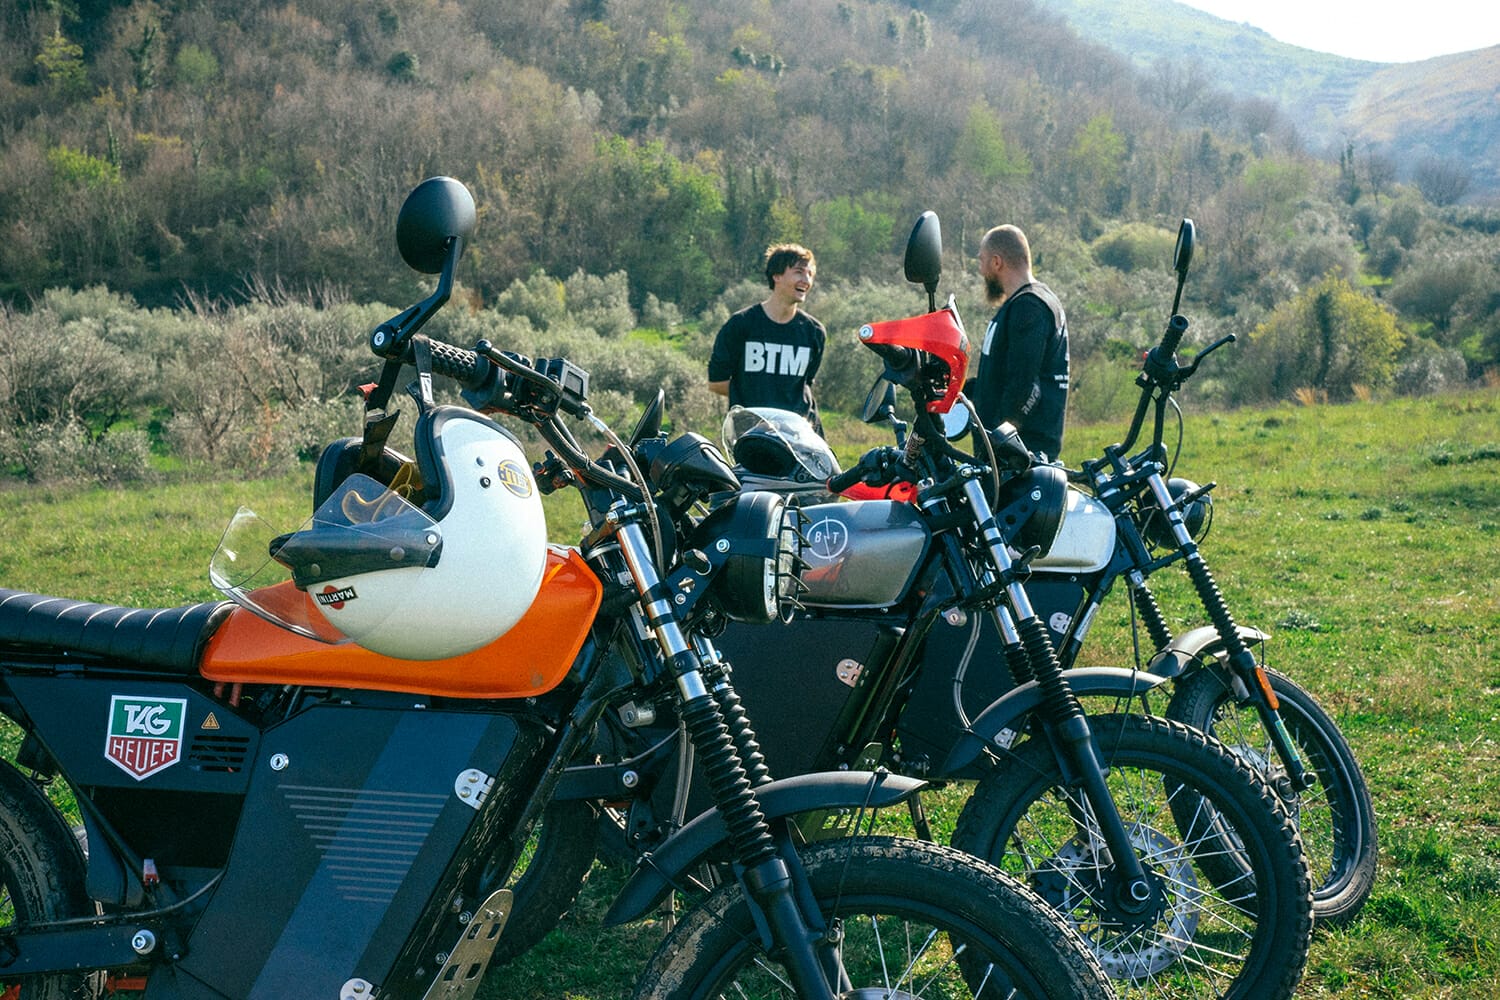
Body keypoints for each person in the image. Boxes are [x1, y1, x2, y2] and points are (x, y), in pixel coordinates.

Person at [968, 224, 1069, 462]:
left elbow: (1023, 384)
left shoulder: (1029, 307)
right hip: (1013, 453)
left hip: (1020, 456)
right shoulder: (1023, 304)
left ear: (996, 262)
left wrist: (1002, 438)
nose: (981, 270)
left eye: (981, 261)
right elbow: (1001, 375)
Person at [708, 243, 826, 435]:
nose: (806, 280)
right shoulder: (741, 324)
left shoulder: (814, 332)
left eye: (810, 274)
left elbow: (805, 384)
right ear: (776, 276)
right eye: (799, 272)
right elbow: (716, 383)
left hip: (801, 437)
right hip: (751, 436)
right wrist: (755, 398)